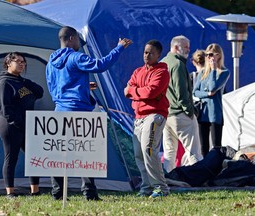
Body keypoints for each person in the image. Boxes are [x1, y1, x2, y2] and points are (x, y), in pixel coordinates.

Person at [46, 26, 132, 201]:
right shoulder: (76, 57)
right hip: (78, 112)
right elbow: (100, 65)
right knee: (84, 153)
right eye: (78, 39)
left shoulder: (51, 61)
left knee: (59, 153)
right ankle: (89, 193)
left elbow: (54, 85)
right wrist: (119, 47)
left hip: (59, 111)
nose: (79, 42)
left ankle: (57, 193)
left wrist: (83, 88)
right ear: (71, 39)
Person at [124, 39, 170, 198]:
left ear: (158, 55)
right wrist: (138, 91)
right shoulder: (138, 71)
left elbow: (151, 92)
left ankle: (161, 188)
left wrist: (134, 92)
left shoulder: (162, 72)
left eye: (151, 52)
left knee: (148, 149)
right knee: (138, 154)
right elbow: (126, 90)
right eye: (145, 52)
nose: (147, 55)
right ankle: (147, 187)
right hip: (138, 117)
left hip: (155, 115)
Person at [0, 52, 44, 199]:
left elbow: (40, 92)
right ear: (8, 63)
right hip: (10, 125)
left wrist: (25, 81)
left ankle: (34, 191)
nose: (22, 64)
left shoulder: (22, 81)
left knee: (33, 156)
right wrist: (19, 123)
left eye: (24, 62)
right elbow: (5, 109)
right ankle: (10, 193)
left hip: (26, 124)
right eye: (18, 61)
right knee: (12, 158)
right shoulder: (5, 82)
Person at [160, 35, 203, 173]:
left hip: (166, 114)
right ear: (176, 47)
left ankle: (168, 180)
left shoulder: (163, 62)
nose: (188, 50)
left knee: (169, 153)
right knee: (193, 152)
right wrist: (190, 112)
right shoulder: (178, 65)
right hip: (180, 114)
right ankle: (198, 178)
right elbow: (182, 93)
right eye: (185, 47)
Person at [193, 43, 230, 157]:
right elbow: (195, 92)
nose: (209, 58)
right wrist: (207, 94)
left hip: (215, 114)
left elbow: (213, 87)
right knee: (204, 146)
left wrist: (213, 70)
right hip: (203, 113)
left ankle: (216, 171)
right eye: (207, 55)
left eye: (211, 55)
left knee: (216, 146)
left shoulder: (224, 72)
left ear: (218, 56)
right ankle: (206, 170)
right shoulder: (203, 73)